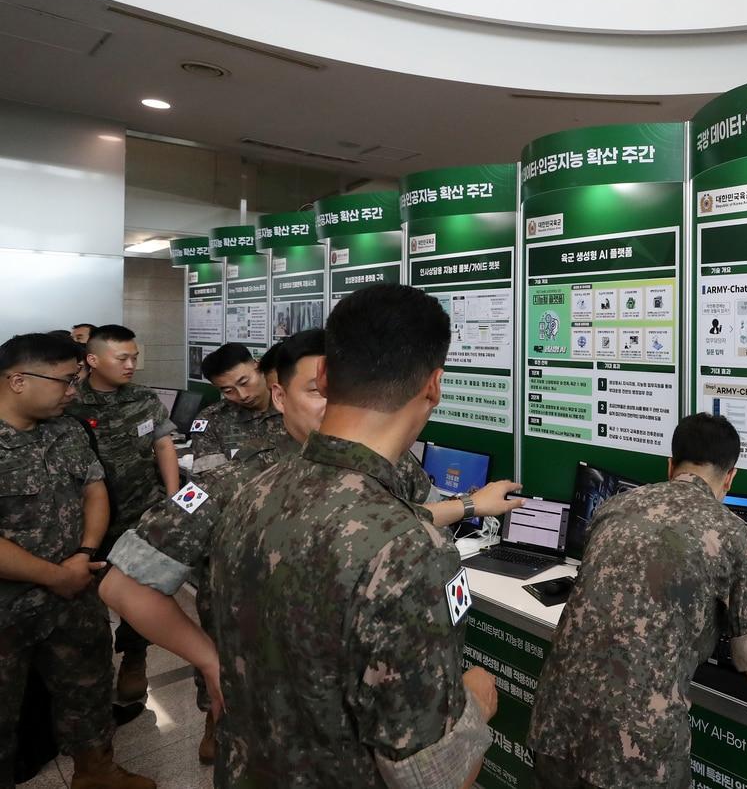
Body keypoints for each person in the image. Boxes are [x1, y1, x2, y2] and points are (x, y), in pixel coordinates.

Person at [100, 328, 514, 765]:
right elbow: (124, 586)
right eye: (319, 392)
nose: (337, 407)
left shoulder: (392, 465)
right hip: (260, 707)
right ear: (280, 397)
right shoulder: (234, 481)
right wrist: (210, 661)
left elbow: (415, 516)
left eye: (347, 391)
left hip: (357, 715)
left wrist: (469, 505)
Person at [207, 285, 514, 787]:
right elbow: (430, 777)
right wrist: (475, 705)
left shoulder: (253, 490)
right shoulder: (409, 548)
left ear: (325, 376)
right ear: (434, 385)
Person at [529, 413, 747, 789]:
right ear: (730, 477)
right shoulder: (738, 539)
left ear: (671, 465)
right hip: (636, 754)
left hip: (554, 724)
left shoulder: (613, 508)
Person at [0, 333, 155, 789]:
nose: (73, 391)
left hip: (74, 592)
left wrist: (84, 554)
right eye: (66, 381)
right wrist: (56, 575)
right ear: (18, 381)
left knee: (87, 685)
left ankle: (96, 771)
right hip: (9, 606)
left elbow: (94, 490)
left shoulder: (65, 428)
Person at [65, 324, 180, 705]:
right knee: (88, 596)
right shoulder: (70, 401)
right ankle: (94, 667)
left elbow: (164, 446)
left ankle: (135, 656)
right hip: (86, 521)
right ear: (93, 360)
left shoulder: (144, 398)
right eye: (123, 358)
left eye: (135, 357)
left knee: (139, 589)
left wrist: (172, 496)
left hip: (139, 513)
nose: (132, 365)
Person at [189, 344, 279, 473]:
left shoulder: (291, 406)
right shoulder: (212, 420)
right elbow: (211, 481)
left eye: (244, 383)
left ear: (257, 366)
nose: (243, 395)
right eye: (228, 391)